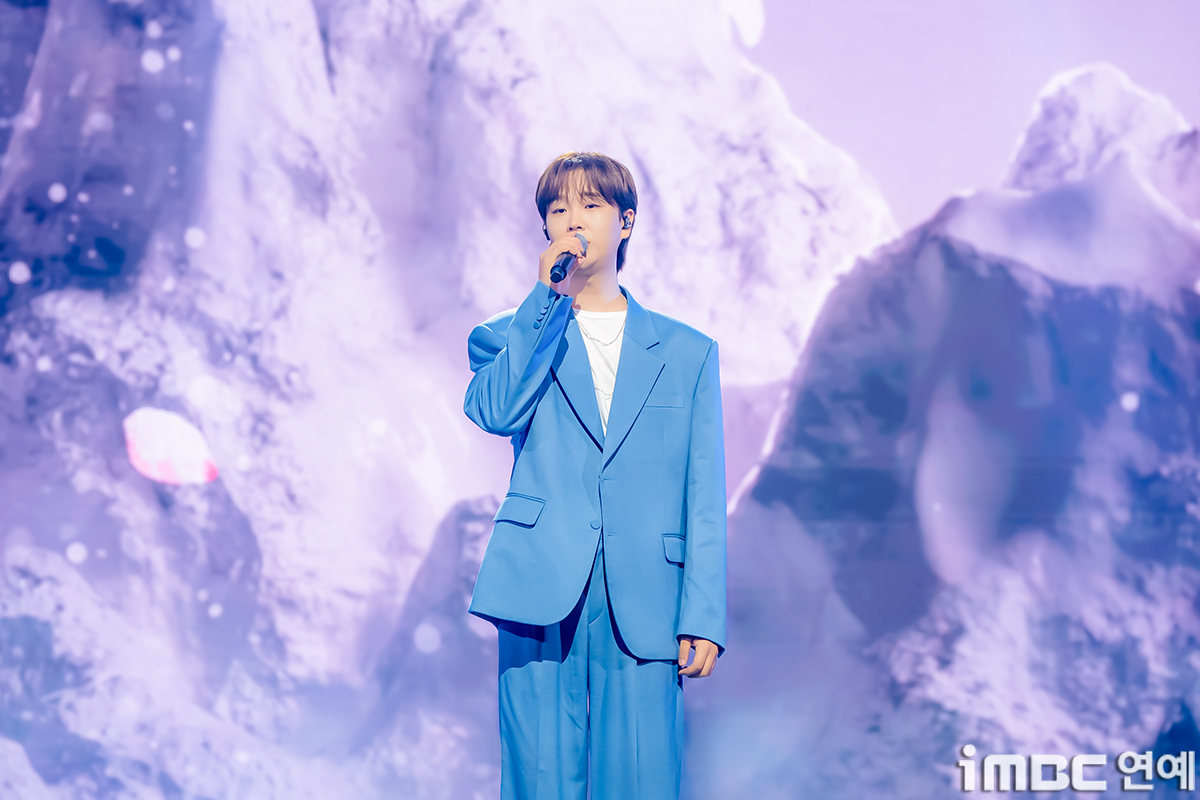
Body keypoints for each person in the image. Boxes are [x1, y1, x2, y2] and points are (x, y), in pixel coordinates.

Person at [463, 151, 727, 799]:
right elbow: (495, 411)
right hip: (539, 586)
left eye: (590, 204)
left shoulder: (688, 353)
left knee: (641, 779)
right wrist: (545, 302)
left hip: (646, 596)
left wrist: (703, 613)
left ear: (626, 221)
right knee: (539, 779)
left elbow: (703, 494)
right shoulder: (507, 335)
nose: (573, 220)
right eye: (558, 209)